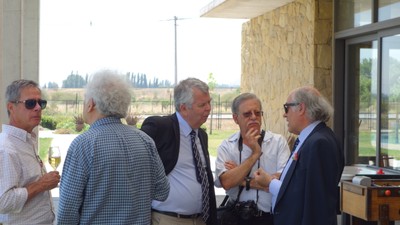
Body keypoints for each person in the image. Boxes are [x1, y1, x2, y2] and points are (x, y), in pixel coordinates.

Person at [57, 70, 169, 224]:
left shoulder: (83, 145)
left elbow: (67, 210)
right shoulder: (145, 140)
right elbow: (162, 192)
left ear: (91, 104)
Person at [253, 86, 344, 225]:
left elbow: (315, 201)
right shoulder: (311, 139)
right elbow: (302, 187)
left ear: (301, 108)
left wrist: (270, 183)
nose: (284, 115)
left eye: (286, 108)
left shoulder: (319, 143)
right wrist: (282, 178)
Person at [141, 77, 217, 225]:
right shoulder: (160, 127)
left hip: (200, 219)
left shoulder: (201, 135)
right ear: (183, 108)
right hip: (167, 219)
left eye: (209, 102)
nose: (209, 108)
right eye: (202, 104)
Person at [214, 93, 290, 225]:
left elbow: (281, 181)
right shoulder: (227, 146)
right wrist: (255, 154)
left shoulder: (278, 142)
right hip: (236, 218)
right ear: (235, 118)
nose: (254, 117)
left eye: (257, 113)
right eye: (247, 114)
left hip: (268, 218)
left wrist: (240, 178)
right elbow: (226, 182)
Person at [0, 79, 60, 224]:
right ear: (11, 107)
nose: (38, 108)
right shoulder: (6, 148)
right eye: (30, 103)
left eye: (41, 103)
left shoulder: (25, 140)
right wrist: (41, 185)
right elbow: (3, 202)